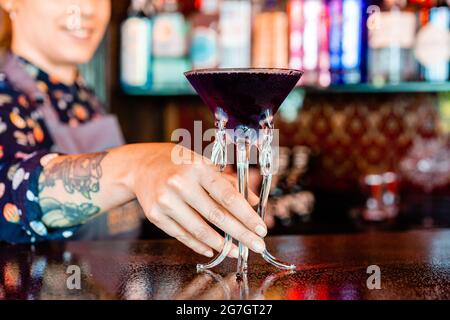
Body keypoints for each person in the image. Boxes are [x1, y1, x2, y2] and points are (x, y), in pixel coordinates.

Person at [0, 0, 268, 259]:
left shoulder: (82, 96)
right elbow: (9, 190)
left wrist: (199, 192)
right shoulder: (5, 91)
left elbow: (116, 210)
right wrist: (138, 165)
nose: (88, 9)